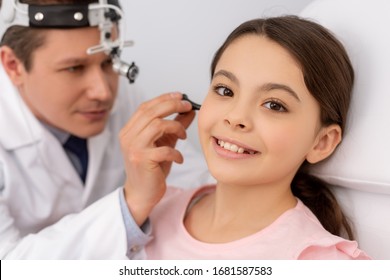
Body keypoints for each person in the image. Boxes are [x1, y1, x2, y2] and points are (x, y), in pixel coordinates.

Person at [129, 16, 371, 259]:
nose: (235, 117)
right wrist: (135, 202)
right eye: (225, 90)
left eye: (274, 105)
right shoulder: (144, 214)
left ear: (322, 142)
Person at [0, 0, 211, 259]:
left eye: (109, 63)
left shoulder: (122, 96)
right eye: (74, 68)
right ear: (13, 65)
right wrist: (131, 204)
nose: (103, 92)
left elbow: (196, 180)